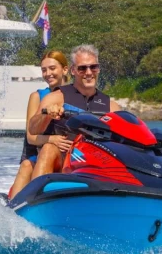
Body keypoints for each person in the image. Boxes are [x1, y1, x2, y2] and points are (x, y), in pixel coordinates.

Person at [28, 44, 121, 180]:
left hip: (96, 166)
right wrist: (46, 114)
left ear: (98, 69)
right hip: (63, 164)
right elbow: (33, 129)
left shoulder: (112, 107)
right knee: (48, 148)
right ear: (73, 70)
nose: (88, 72)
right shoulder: (56, 97)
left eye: (93, 67)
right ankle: (36, 196)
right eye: (82, 68)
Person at [8, 50, 72, 198]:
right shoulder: (37, 96)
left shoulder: (78, 95)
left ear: (65, 69)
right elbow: (31, 137)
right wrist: (52, 139)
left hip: (71, 156)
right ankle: (13, 210)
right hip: (42, 153)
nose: (48, 73)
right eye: (44, 70)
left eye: (52, 68)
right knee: (26, 166)